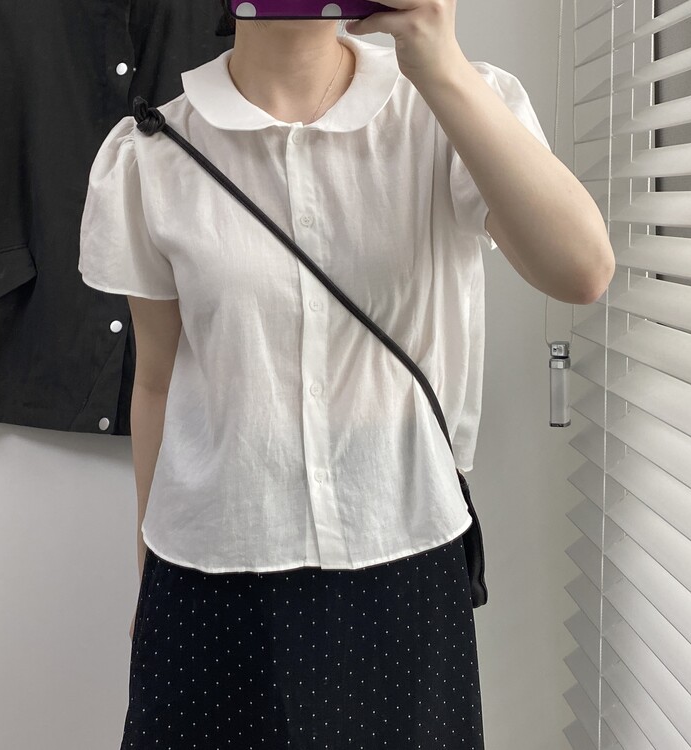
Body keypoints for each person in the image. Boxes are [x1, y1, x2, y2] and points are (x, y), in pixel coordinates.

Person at [78, 1, 614, 747]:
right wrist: (149, 574)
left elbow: (581, 271)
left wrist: (438, 59)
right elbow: (157, 380)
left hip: (403, 556)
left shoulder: (445, 111)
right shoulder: (153, 153)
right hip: (207, 571)